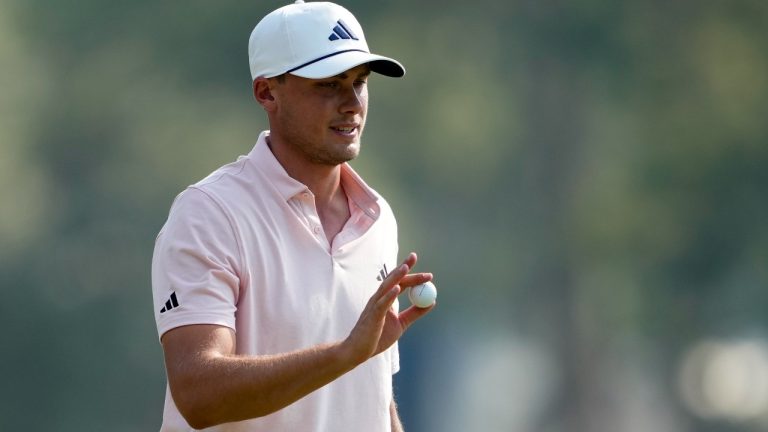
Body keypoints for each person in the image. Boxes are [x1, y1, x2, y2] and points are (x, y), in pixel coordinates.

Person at [151, 1, 436, 430]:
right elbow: (198, 393)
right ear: (267, 92)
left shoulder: (378, 219)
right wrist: (344, 353)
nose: (352, 104)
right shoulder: (210, 213)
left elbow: (372, 394)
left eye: (359, 83)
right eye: (329, 85)